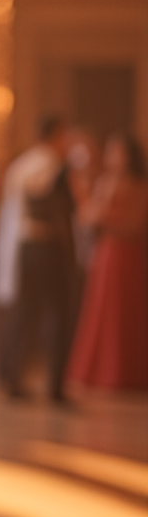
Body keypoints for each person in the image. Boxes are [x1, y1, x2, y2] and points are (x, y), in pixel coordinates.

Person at [0, 115, 77, 401]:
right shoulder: (52, 167)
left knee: (24, 313)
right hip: (45, 247)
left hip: (23, 247)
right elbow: (49, 207)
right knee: (56, 314)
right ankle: (54, 386)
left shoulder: (22, 164)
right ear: (56, 135)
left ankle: (10, 376)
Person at [67, 133, 148, 390]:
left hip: (127, 254)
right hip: (106, 253)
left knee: (125, 312)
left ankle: (127, 374)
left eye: (118, 152)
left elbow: (134, 224)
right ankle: (100, 372)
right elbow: (88, 214)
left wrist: (104, 218)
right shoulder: (105, 181)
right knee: (101, 309)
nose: (113, 157)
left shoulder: (138, 185)